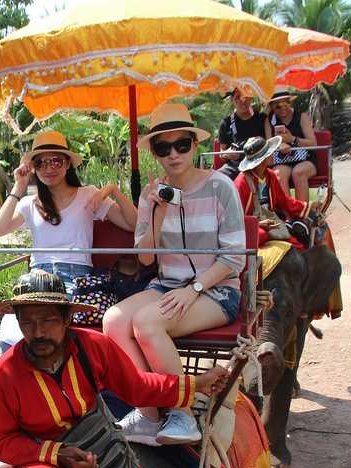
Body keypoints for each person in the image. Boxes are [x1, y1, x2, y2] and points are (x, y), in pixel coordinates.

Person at [0, 269, 229, 468]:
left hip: (101, 447)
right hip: (44, 459)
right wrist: (57, 454)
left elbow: (137, 388)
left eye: (48, 320)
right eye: (28, 323)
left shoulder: (94, 346)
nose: (39, 332)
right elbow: (0, 442)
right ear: (17, 322)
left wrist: (195, 385)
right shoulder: (3, 374)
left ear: (67, 318)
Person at [103, 102, 245, 446]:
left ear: (194, 146)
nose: (174, 154)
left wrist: (194, 288)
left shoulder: (220, 188)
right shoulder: (152, 195)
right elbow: (147, 257)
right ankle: (149, 412)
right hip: (166, 284)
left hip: (217, 289)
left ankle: (182, 413)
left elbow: (234, 258)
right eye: (163, 147)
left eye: (182, 144)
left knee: (148, 322)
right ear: (155, 152)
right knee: (113, 320)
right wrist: (157, 211)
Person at [0, 130, 136, 350]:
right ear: (34, 168)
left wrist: (113, 190)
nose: (49, 168)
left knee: (50, 322)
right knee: (12, 327)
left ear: (68, 164)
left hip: (76, 279)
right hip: (36, 279)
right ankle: (20, 382)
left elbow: (134, 225)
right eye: (41, 163)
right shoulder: (30, 203)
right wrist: (19, 186)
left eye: (56, 161)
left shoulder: (88, 194)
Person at [234, 136, 321, 246]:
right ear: (262, 159)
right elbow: (234, 217)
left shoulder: (270, 175)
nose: (274, 154)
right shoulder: (241, 182)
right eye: (270, 153)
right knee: (261, 235)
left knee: (297, 246)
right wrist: (258, 224)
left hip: (270, 221)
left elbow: (284, 201)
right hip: (251, 226)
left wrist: (308, 206)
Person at [263, 91, 319, 203]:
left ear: (290, 103)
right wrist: (278, 145)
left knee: (298, 172)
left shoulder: (301, 117)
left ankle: (303, 213)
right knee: (278, 174)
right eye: (278, 106)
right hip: (282, 160)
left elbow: (313, 144)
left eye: (286, 104)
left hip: (306, 159)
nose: (283, 108)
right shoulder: (269, 121)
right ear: (272, 107)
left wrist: (292, 139)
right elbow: (269, 145)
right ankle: (289, 214)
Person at [216, 90, 268, 179]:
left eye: (246, 97)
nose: (243, 101)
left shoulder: (262, 118)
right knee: (217, 178)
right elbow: (222, 153)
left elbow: (270, 145)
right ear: (232, 100)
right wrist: (228, 154)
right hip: (235, 165)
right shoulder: (226, 122)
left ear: (251, 98)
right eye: (238, 98)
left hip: (259, 163)